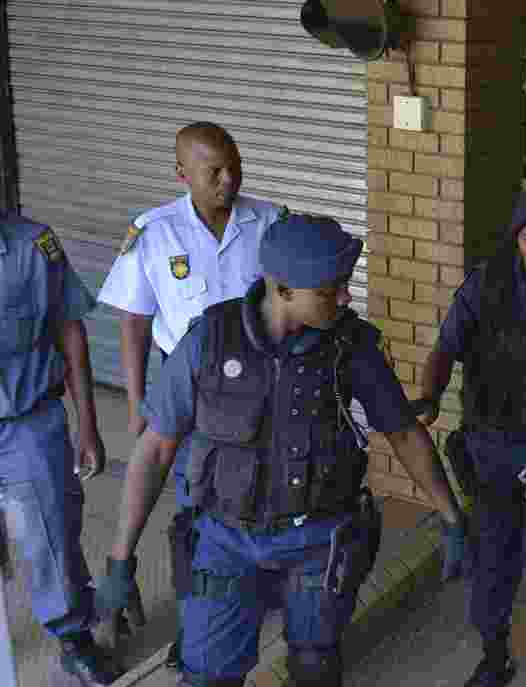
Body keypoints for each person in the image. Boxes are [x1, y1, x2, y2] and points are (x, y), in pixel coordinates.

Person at [93, 213, 467, 687]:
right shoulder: (208, 341)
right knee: (207, 676)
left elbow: (404, 433)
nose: (346, 298)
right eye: (331, 290)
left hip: (317, 541)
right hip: (224, 541)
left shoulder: (351, 346)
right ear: (283, 290)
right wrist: (119, 561)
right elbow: (154, 451)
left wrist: (451, 517)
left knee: (315, 667)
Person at [96, 121, 281, 671]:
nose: (230, 180)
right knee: (197, 503)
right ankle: (199, 619)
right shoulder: (155, 233)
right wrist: (135, 402)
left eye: (235, 166)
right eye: (214, 172)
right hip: (189, 389)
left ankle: (253, 597)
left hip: (259, 389)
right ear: (183, 174)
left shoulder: (269, 223)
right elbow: (133, 323)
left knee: (257, 493)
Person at [414, 184, 526, 687]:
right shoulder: (486, 284)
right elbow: (445, 347)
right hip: (491, 449)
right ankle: (494, 658)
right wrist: (428, 398)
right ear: (515, 236)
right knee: (492, 563)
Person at [0, 213, 120, 685]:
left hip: (28, 420)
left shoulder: (34, 246)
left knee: (47, 533)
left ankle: (74, 635)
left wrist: (87, 424)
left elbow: (70, 329)